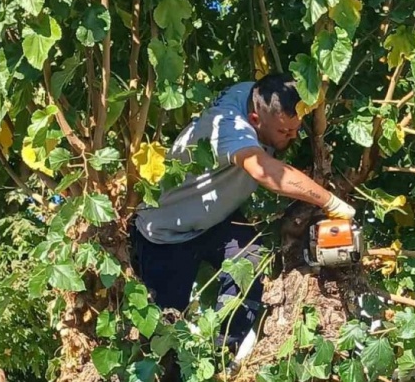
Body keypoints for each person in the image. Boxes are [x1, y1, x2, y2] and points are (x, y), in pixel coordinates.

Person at [128, 73, 355, 368]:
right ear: (254, 120)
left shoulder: (259, 95)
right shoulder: (227, 126)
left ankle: (221, 357)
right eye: (285, 131)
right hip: (165, 235)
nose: (293, 137)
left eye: (296, 128)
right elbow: (264, 170)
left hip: (214, 218)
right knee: (166, 338)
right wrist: (330, 201)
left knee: (251, 262)